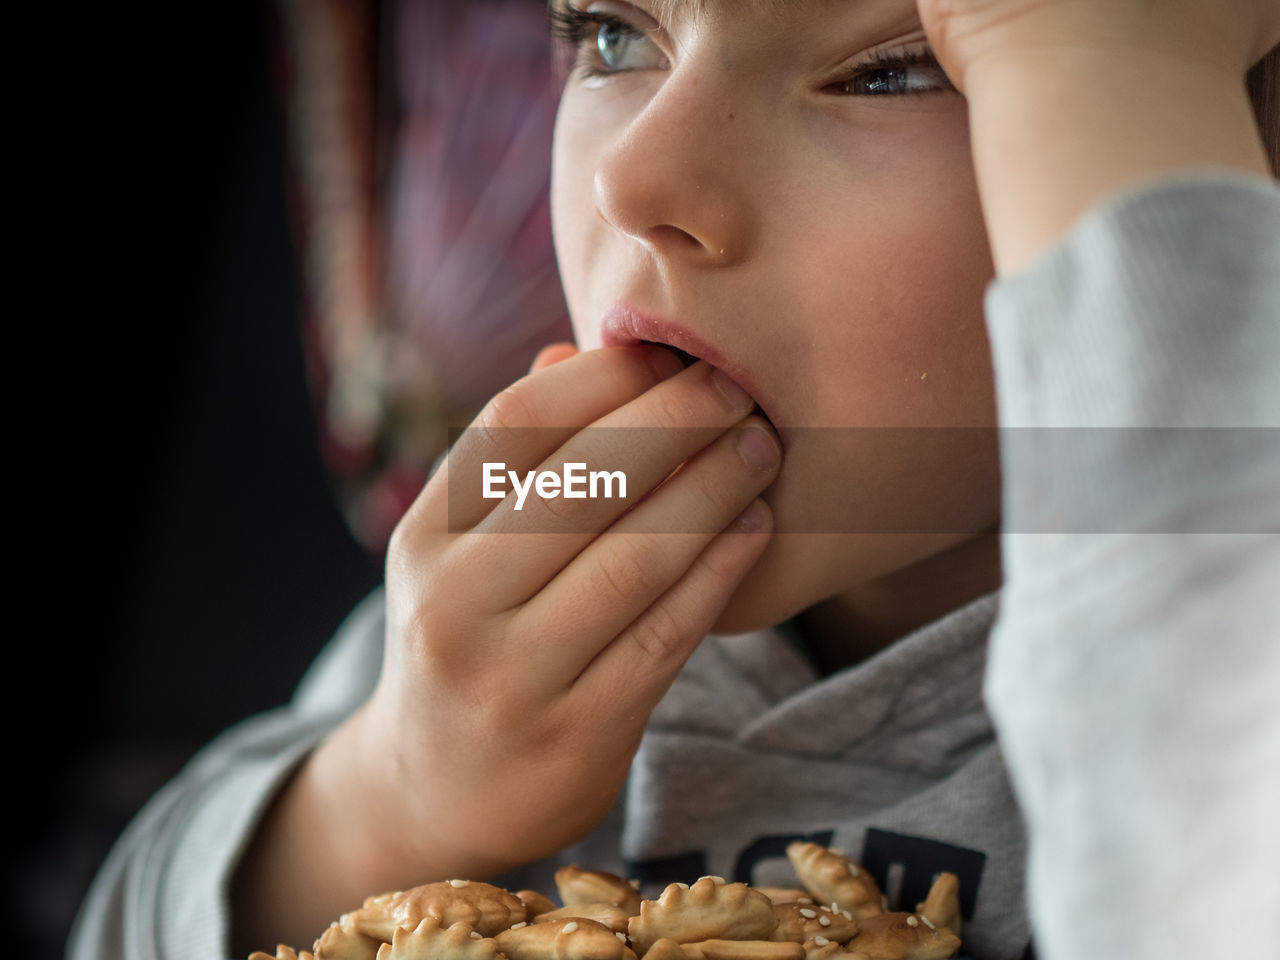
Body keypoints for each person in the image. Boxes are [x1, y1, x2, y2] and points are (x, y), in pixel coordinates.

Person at [70, 1, 1280, 958]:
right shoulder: (526, 595)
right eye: (610, 33)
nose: (632, 179)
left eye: (888, 70)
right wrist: (385, 794)